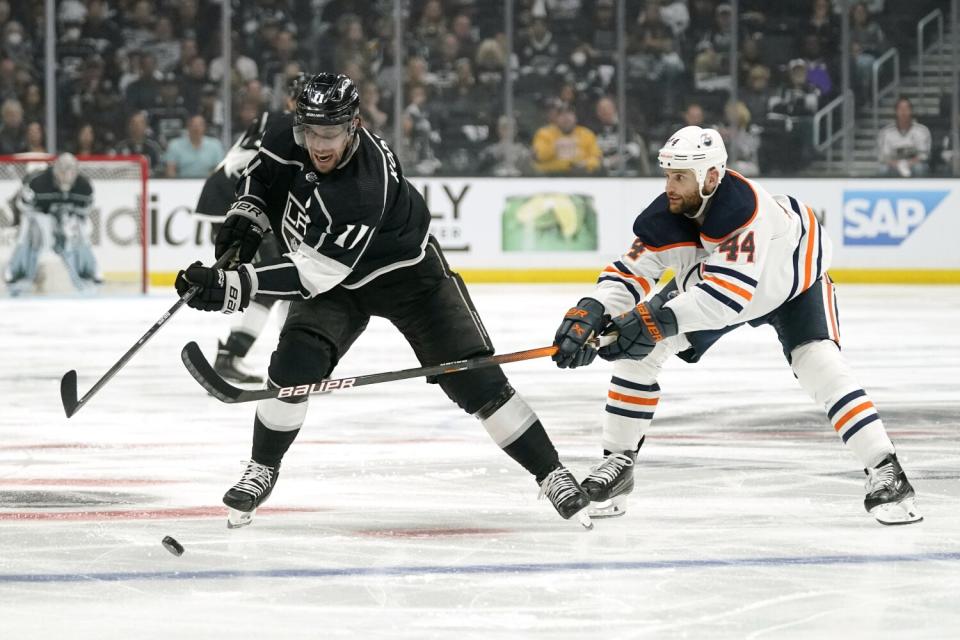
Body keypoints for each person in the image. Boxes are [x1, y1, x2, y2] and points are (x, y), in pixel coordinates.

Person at [174, 73, 591, 528]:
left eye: (331, 132)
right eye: (312, 131)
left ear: (353, 125)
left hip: (408, 279)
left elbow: (313, 274)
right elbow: (261, 175)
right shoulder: (285, 135)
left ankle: (552, 474)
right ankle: (262, 468)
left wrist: (232, 287)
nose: (320, 143)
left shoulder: (364, 184)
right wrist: (247, 214)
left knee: (475, 380)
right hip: (336, 283)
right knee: (293, 367)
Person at [551, 125, 922, 526]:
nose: (669, 186)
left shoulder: (747, 210)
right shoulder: (670, 213)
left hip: (791, 282)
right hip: (721, 285)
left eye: (680, 177)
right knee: (639, 357)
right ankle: (618, 466)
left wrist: (649, 321)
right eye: (668, 175)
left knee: (819, 363)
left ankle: (886, 469)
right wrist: (592, 311)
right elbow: (630, 272)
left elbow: (726, 300)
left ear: (711, 177)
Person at [191, 73, 308, 385]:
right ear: (290, 101)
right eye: (300, 100)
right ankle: (240, 356)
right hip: (233, 206)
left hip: (238, 204)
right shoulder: (284, 124)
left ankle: (287, 357)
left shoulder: (291, 125)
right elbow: (262, 171)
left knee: (288, 286)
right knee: (275, 285)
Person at [3, 153, 102, 295]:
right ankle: (19, 273)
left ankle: (87, 273)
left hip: (66, 217)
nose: (66, 176)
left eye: (71, 172)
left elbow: (84, 211)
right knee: (31, 233)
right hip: (39, 216)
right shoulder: (38, 182)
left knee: (78, 232)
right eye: (63, 172)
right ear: (56, 170)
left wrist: (67, 220)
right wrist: (44, 220)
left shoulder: (84, 186)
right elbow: (23, 206)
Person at [877, 97, 931, 178]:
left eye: (906, 108)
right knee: (883, 169)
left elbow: (924, 155)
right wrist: (898, 165)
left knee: (919, 168)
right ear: (896, 112)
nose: (903, 111)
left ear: (911, 111)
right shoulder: (886, 132)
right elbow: (884, 156)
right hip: (894, 164)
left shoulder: (922, 130)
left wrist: (908, 164)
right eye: (900, 108)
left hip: (914, 164)